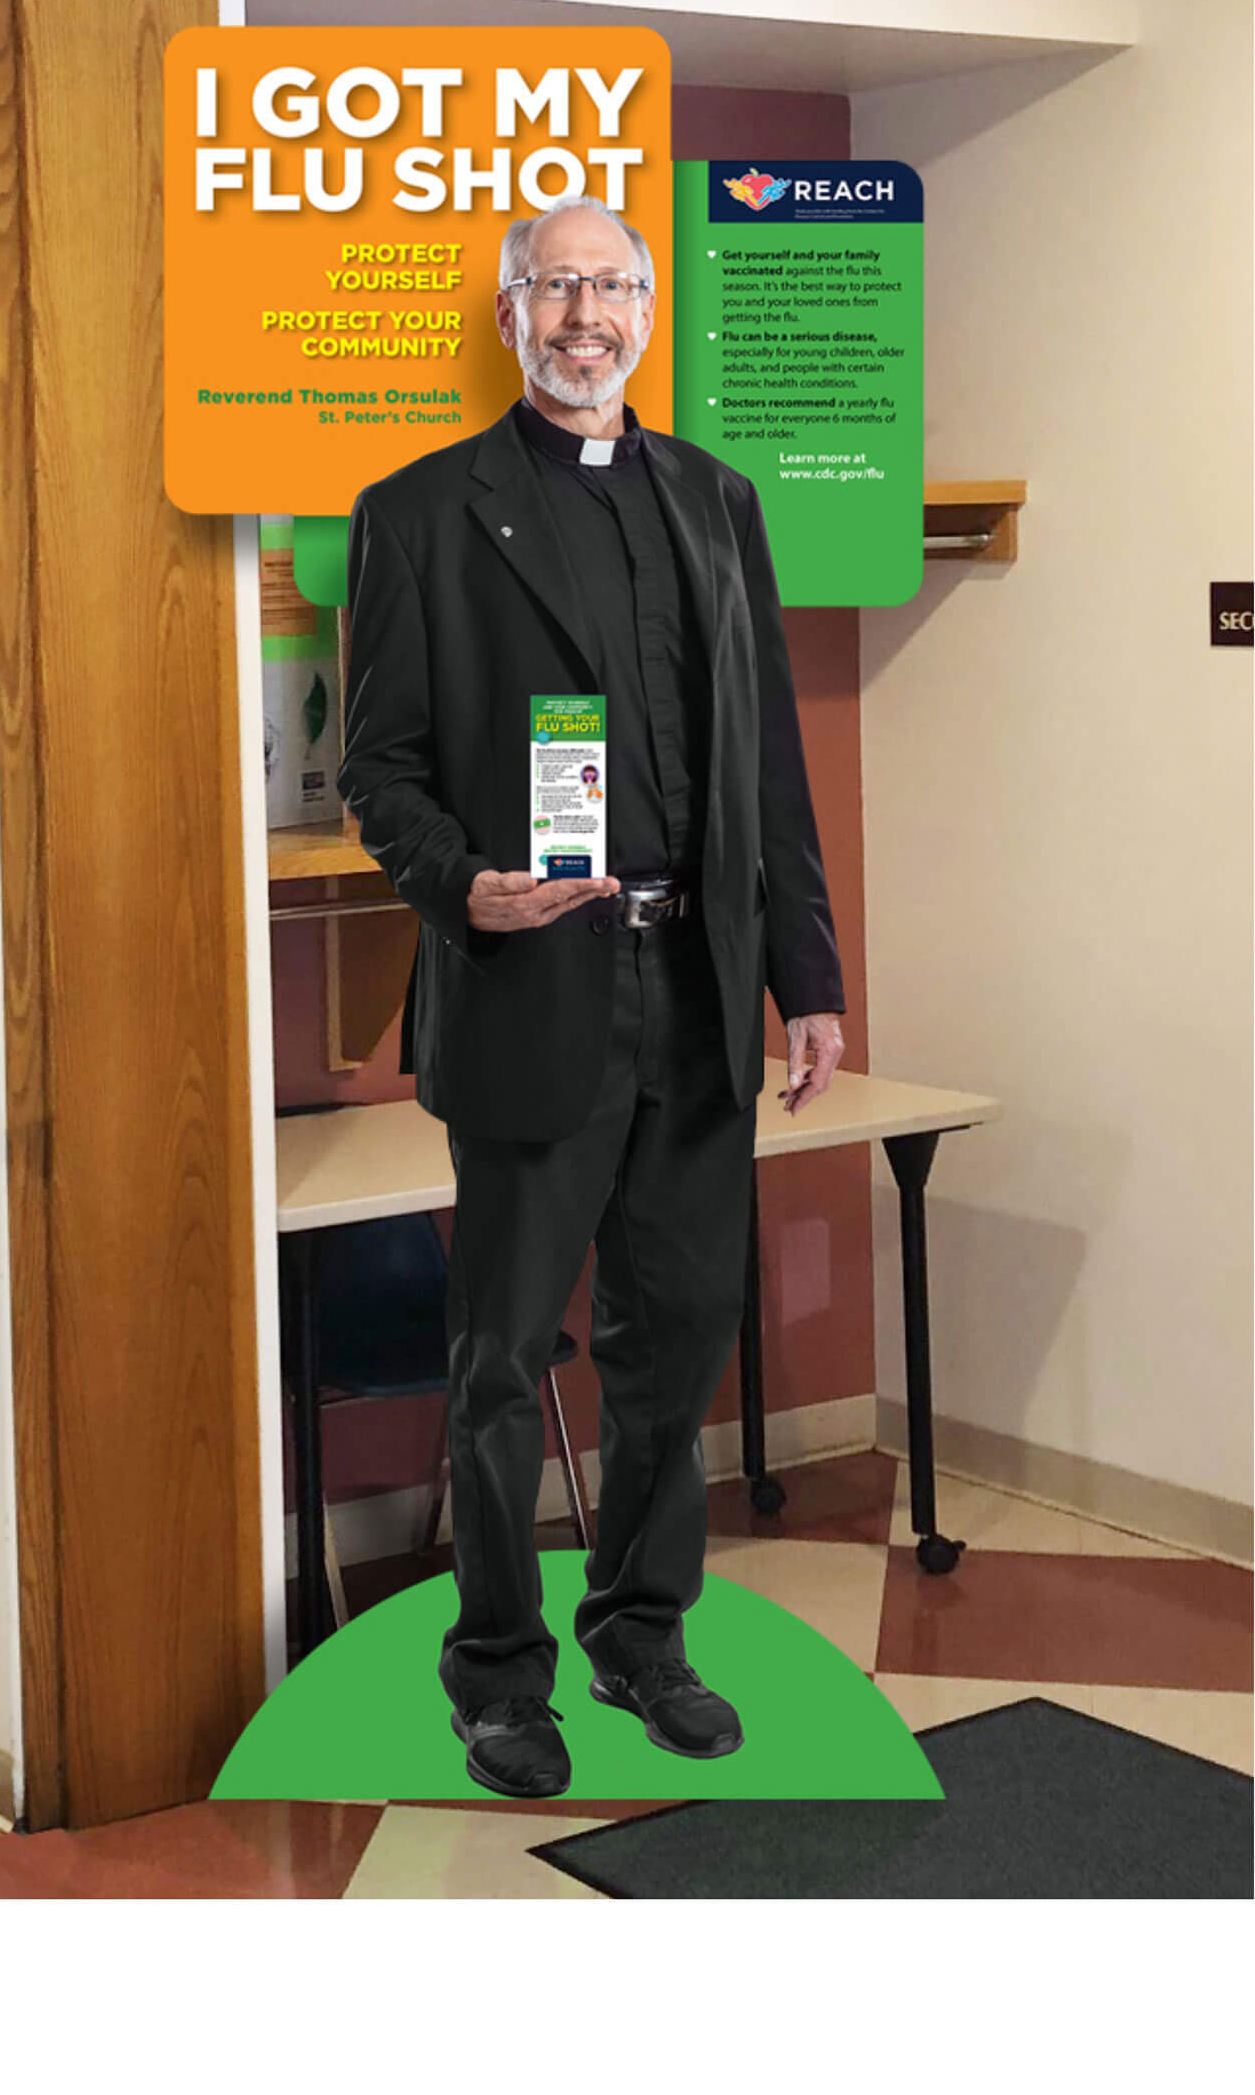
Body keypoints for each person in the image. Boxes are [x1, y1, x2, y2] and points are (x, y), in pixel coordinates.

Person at [338, 194, 846, 1799]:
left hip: (691, 988)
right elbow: (381, 764)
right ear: (506, 313)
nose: (584, 317)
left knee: (671, 1337)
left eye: (611, 287)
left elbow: (767, 761)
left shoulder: (714, 500)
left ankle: (641, 1630)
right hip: (526, 979)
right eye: (554, 287)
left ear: (646, 310)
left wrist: (805, 977)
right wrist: (455, 881)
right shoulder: (419, 509)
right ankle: (496, 1670)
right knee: (499, 1357)